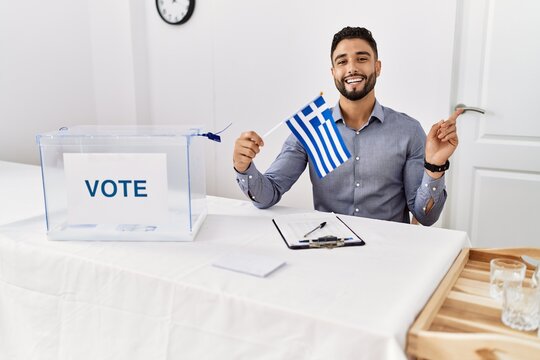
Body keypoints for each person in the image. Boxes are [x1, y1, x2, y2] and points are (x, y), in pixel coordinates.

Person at [232, 26, 462, 225]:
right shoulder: (312, 129)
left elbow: (425, 217)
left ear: (377, 67)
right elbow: (268, 196)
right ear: (333, 73)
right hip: (328, 248)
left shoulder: (409, 131)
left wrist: (435, 166)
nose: (351, 68)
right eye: (342, 61)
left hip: (389, 254)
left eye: (362, 59)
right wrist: (244, 168)